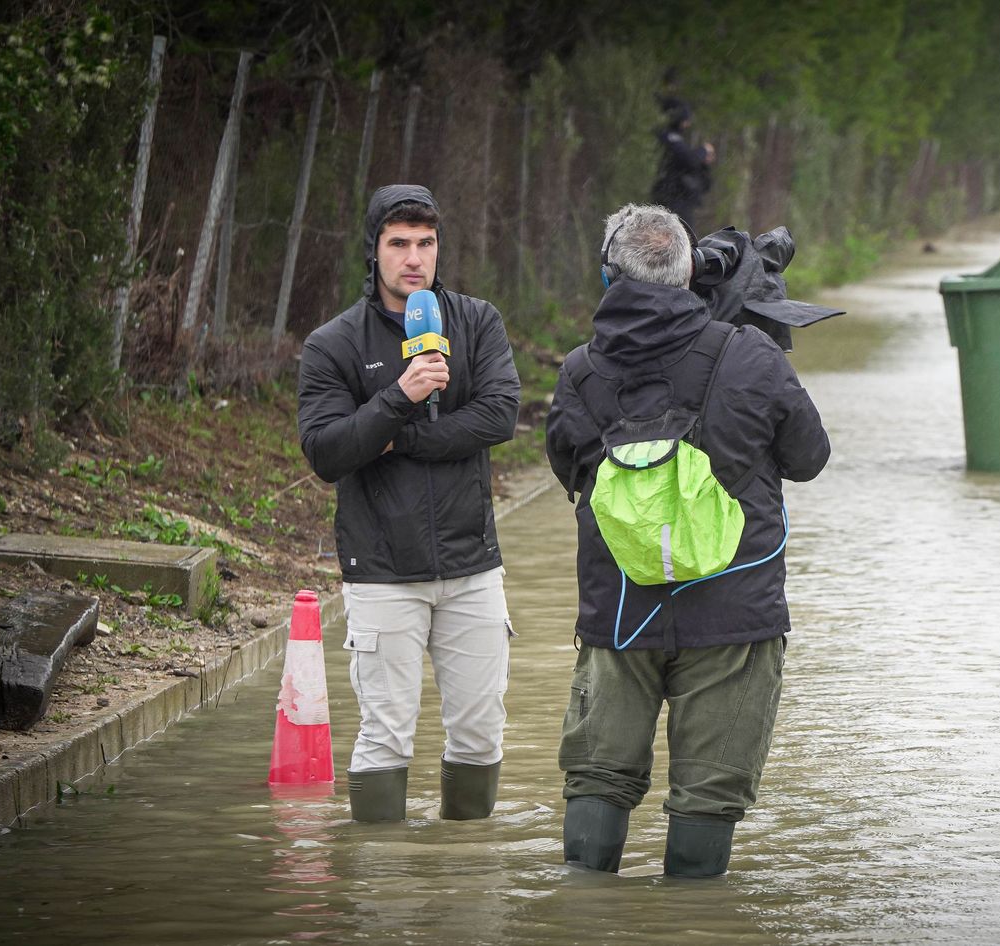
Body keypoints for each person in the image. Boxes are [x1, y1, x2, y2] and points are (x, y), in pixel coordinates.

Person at [544, 203, 830, 877]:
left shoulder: (580, 370)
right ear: (689, 271)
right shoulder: (750, 354)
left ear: (608, 279)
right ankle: (691, 917)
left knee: (598, 778)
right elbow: (809, 457)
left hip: (621, 611)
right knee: (708, 797)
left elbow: (569, 469)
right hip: (735, 614)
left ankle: (582, 914)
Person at [297, 184, 521, 823]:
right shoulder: (333, 343)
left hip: (472, 566)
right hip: (382, 571)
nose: (414, 258)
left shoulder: (477, 321)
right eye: (399, 244)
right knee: (386, 732)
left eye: (426, 243)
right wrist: (398, 396)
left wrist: (401, 439)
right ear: (374, 250)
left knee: (480, 731)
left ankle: (465, 867)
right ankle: (381, 876)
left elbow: (499, 416)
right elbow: (327, 452)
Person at [650, 98, 714, 233]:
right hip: (670, 198)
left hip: (677, 199)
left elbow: (691, 163)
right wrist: (703, 151)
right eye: (685, 120)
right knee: (678, 234)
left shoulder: (675, 139)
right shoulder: (669, 137)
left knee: (681, 233)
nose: (687, 125)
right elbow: (689, 160)